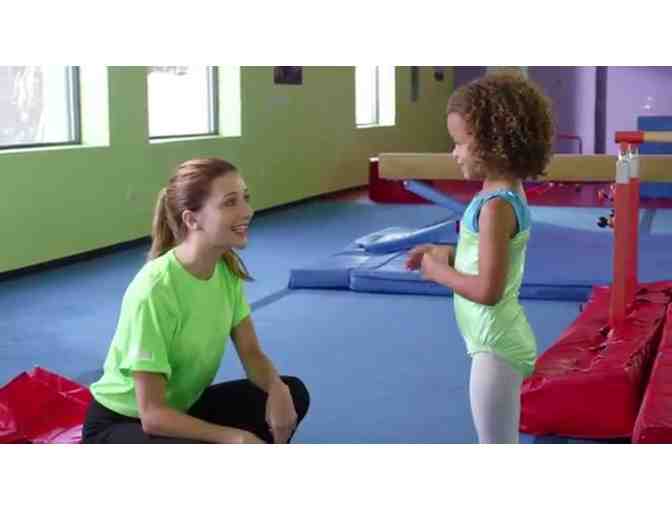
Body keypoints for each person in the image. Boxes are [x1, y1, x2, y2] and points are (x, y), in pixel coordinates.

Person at [82, 158, 310, 443]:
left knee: (293, 392)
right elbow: (152, 415)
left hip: (181, 408)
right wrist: (233, 438)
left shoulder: (226, 271)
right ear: (192, 220)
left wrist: (276, 388)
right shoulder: (155, 289)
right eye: (230, 202)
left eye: (245, 198)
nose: (247, 211)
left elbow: (251, 353)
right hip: (122, 423)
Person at [406, 72, 554, 443]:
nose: (453, 153)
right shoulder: (500, 193)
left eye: (459, 143)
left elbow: (488, 289)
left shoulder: (496, 207)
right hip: (495, 338)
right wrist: (447, 253)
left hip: (495, 345)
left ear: (493, 142)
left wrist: (437, 271)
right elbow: (490, 258)